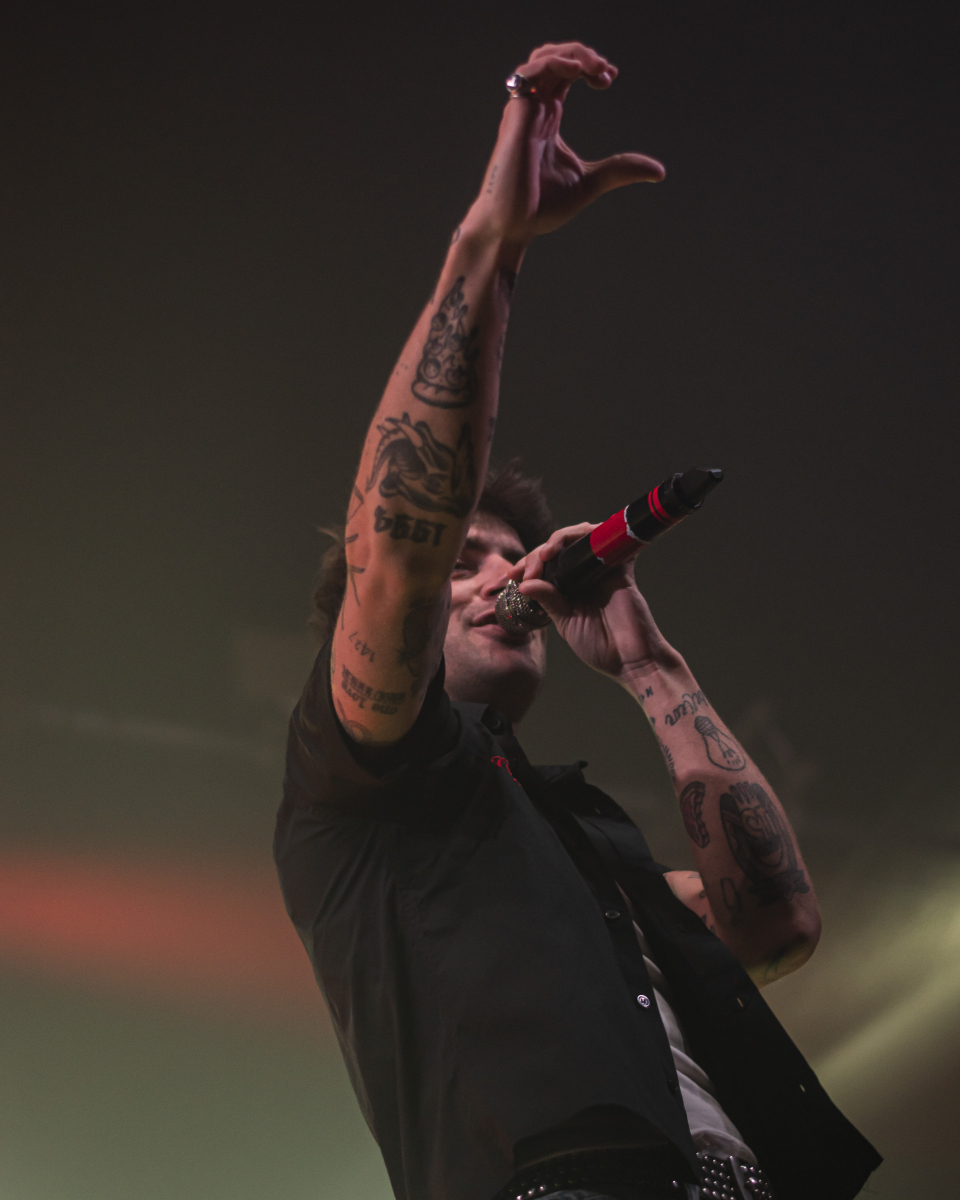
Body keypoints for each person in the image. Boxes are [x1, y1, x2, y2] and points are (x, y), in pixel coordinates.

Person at [275, 43, 881, 1200]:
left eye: (511, 557)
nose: (502, 578)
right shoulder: (359, 778)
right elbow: (398, 546)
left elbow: (776, 925)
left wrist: (652, 666)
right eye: (464, 564)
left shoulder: (579, 838)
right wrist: (490, 246)